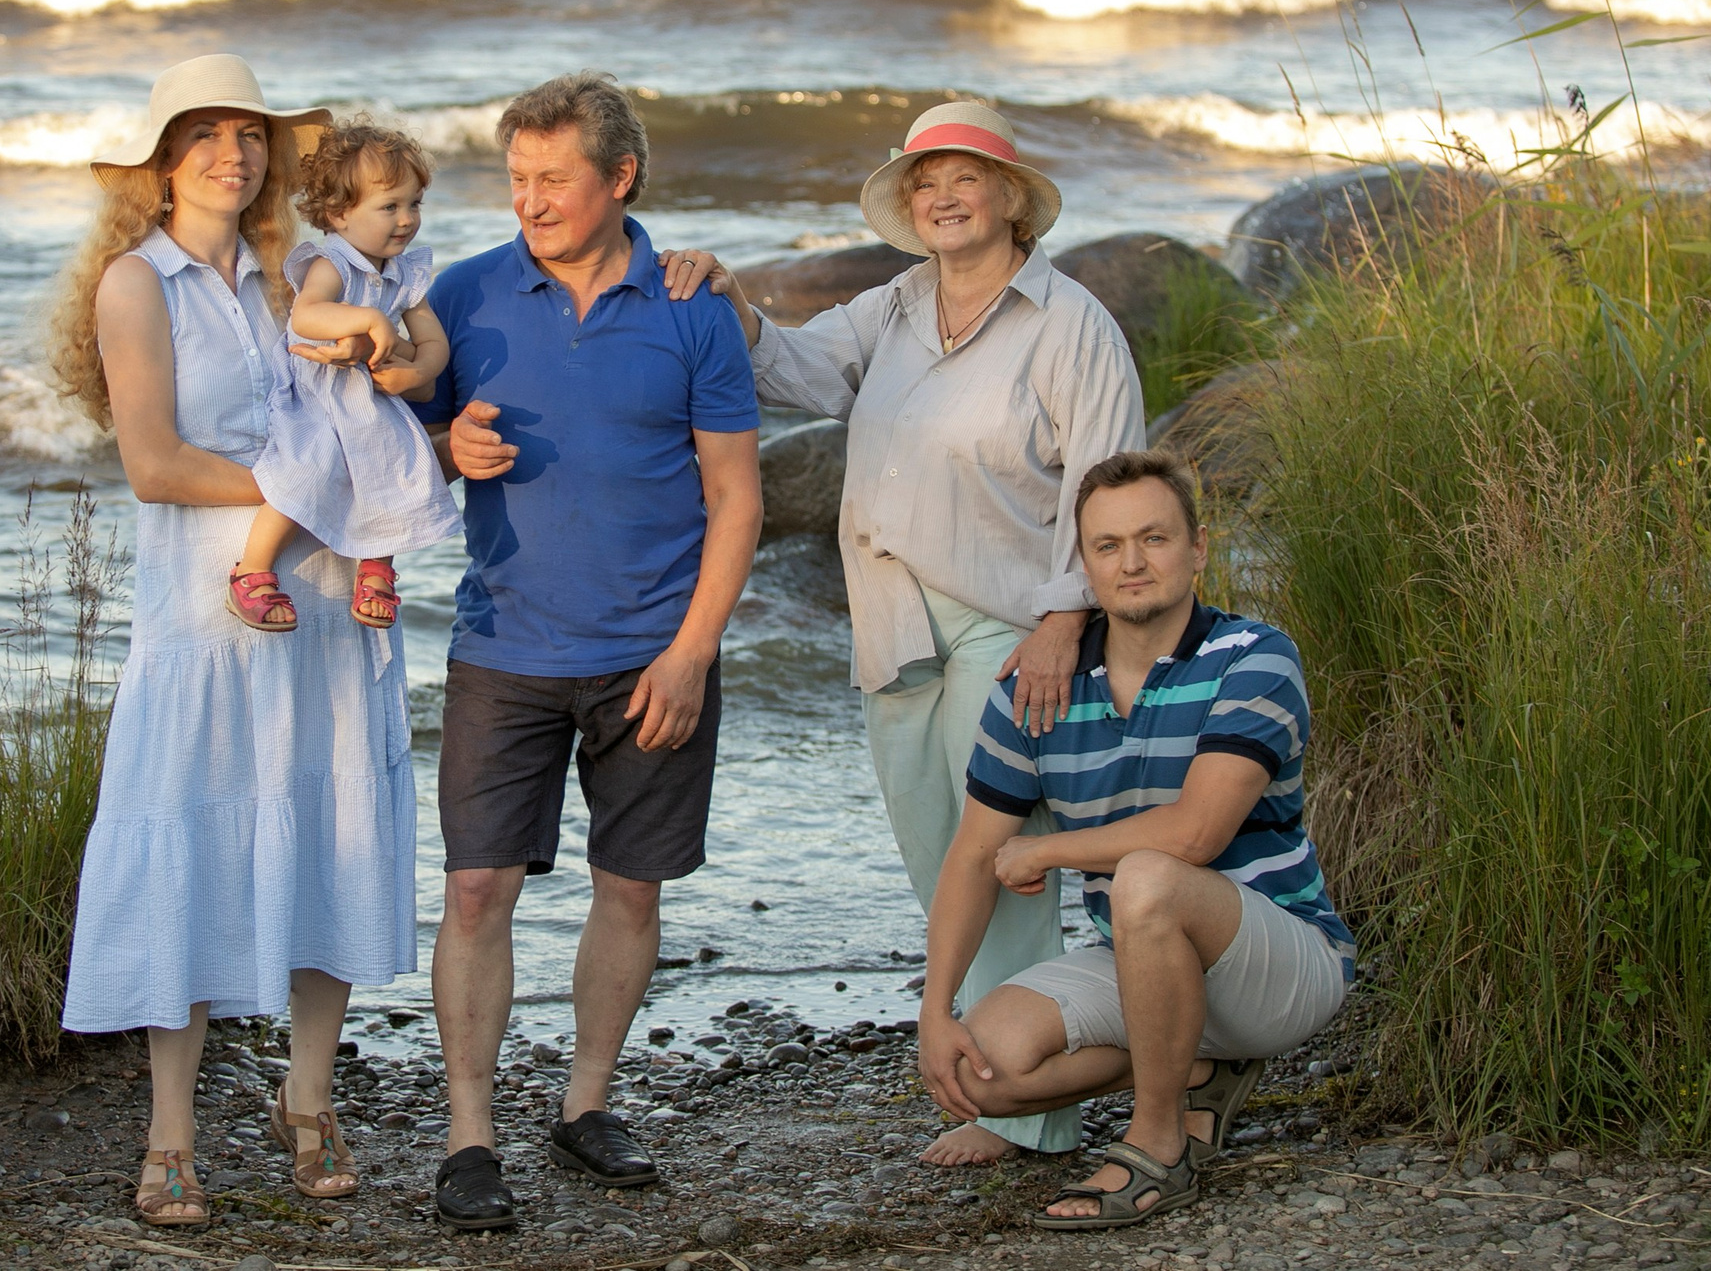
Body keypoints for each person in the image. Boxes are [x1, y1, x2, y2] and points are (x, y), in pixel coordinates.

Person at [658, 100, 1144, 1165]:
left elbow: (1112, 489)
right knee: (938, 867)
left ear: (1010, 198)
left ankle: (1029, 1112)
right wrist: (731, 300)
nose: (942, 195)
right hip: (890, 623)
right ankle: (995, 1074)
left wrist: (1069, 617)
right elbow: (788, 372)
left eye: (964, 176)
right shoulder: (892, 308)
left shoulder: (1070, 325)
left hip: (1009, 628)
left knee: (999, 864)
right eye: (924, 181)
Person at [51, 55, 416, 1222]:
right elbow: (154, 464)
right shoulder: (133, 285)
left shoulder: (290, 276)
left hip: (325, 611)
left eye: (248, 131)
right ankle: (170, 1134)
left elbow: (387, 374)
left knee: (327, 833)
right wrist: (308, 490)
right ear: (162, 161)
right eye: (201, 132)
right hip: (204, 622)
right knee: (191, 855)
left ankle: (307, 1102)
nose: (231, 150)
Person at [412, 71, 763, 1230]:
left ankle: (585, 1102)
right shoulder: (460, 296)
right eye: (515, 178)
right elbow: (380, 436)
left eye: (552, 178)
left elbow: (736, 494)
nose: (529, 200)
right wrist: (442, 440)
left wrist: (692, 651)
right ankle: (470, 1134)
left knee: (632, 886)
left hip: (651, 654)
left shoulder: (691, 304)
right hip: (504, 643)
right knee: (474, 888)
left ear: (620, 178)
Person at [918, 448, 1354, 1231]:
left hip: (1276, 959)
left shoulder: (1253, 659)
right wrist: (934, 1009)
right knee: (986, 1067)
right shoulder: (1035, 691)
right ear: (1083, 566)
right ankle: (1197, 1068)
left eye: (1154, 539)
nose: (1132, 563)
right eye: (1108, 546)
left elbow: (1194, 834)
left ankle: (1159, 1145)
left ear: (1199, 548)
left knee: (1145, 879)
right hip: (1144, 961)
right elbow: (972, 855)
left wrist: (1045, 851)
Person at [228, 122, 464, 632]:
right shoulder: (333, 262)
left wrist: (420, 370)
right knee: (307, 467)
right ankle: (252, 571)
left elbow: (433, 341)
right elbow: (307, 317)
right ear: (338, 214)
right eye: (390, 207)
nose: (406, 221)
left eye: (414, 204)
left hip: (367, 396)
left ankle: (378, 563)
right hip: (317, 395)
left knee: (395, 460)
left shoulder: (405, 272)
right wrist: (371, 319)